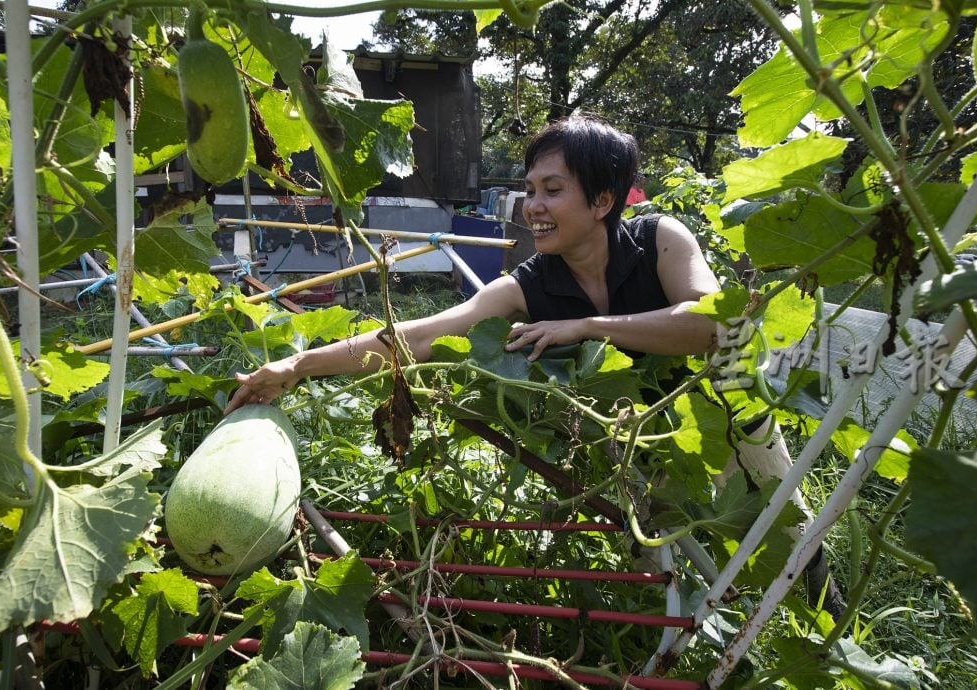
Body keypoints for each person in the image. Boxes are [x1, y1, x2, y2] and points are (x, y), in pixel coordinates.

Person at [224, 116, 844, 617]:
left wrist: (588, 325)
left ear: (603, 200)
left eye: (553, 190)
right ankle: (690, 631)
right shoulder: (527, 284)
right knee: (667, 549)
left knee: (780, 527)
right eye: (529, 190)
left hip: (725, 407)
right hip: (635, 435)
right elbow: (424, 333)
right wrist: (302, 363)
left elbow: (712, 324)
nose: (533, 206)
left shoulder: (661, 240)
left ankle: (825, 611)